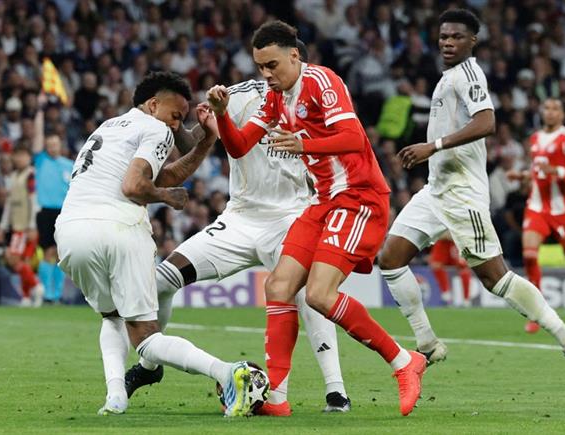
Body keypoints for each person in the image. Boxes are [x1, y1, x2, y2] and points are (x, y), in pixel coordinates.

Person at [207, 21, 426, 417]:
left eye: (272, 65)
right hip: (323, 202)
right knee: (278, 286)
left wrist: (304, 143)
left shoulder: (322, 81)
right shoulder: (275, 99)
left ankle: (402, 360)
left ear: (294, 55)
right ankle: (276, 398)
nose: (266, 74)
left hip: (358, 198)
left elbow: (354, 138)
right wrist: (223, 115)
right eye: (260, 67)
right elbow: (239, 147)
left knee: (319, 296)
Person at [125, 41, 352, 414]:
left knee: (309, 295)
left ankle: (336, 392)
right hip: (239, 220)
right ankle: (150, 365)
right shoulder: (240, 95)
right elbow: (195, 137)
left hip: (292, 218)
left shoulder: (320, 102)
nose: (279, 75)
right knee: (160, 281)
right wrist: (204, 121)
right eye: (270, 66)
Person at [378, 9, 565, 389]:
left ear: (473, 41)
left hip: (463, 194)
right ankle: (427, 344)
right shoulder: (447, 77)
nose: (448, 42)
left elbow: (487, 121)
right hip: (436, 190)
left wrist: (433, 146)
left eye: (457, 37)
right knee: (390, 258)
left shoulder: (470, 75)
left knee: (495, 278)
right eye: (444, 36)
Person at [55, 71, 254, 417]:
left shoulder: (108, 128)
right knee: (146, 337)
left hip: (71, 232)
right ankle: (227, 372)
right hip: (119, 227)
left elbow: (162, 174)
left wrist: (206, 139)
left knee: (111, 316)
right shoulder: (156, 128)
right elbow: (135, 186)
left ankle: (116, 396)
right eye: (175, 116)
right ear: (152, 105)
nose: (176, 126)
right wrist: (166, 198)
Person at [507, 98, 565, 334]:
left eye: (555, 109)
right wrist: (523, 175)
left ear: (563, 114)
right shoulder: (535, 138)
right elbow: (538, 170)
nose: (550, 112)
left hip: (563, 209)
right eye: (546, 108)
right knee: (529, 255)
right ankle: (536, 312)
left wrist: (558, 171)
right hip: (537, 206)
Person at [31, 95, 74, 303]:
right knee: (48, 250)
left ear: (60, 144)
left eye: (55, 144)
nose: (52, 147)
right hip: (46, 211)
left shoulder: (69, 165)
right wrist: (40, 111)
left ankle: (56, 294)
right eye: (49, 144)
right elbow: (37, 136)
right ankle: (47, 293)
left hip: (64, 212)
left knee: (60, 253)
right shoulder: (41, 160)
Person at [0, 145, 44, 307]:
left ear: (29, 158)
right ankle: (26, 297)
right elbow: (9, 205)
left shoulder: (30, 175)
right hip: (16, 225)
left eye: (24, 155)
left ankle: (36, 286)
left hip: (26, 227)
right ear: (13, 158)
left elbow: (33, 201)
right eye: (18, 155)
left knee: (13, 259)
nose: (20, 159)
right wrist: (2, 227)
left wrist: (32, 226)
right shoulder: (13, 177)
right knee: (23, 263)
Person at [429, 236, 471, 306]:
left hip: (456, 243)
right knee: (435, 265)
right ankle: (446, 293)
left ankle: (466, 299)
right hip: (443, 244)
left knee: (464, 269)